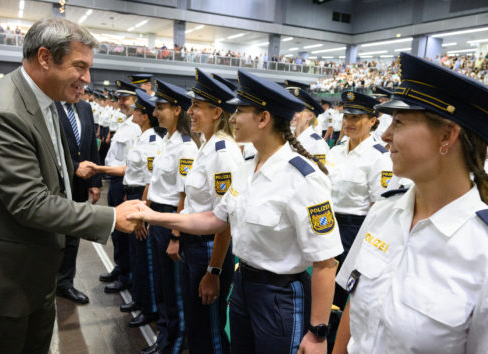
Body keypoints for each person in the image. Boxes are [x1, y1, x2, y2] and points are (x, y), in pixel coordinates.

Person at [0, 18, 141, 354]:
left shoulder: (45, 103)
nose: (87, 79)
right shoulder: (4, 112)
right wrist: (111, 217)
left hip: (31, 271)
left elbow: (51, 171)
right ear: (45, 57)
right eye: (80, 66)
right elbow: (29, 203)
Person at [331, 52, 488, 354]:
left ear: (448, 135)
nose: (385, 135)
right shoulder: (383, 213)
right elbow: (354, 311)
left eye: (398, 122)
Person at [129, 69, 343, 354]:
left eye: (240, 111)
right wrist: (153, 216)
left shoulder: (303, 177)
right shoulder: (248, 167)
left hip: (280, 295)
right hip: (243, 288)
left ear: (263, 119)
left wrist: (318, 333)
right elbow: (216, 219)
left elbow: (325, 262)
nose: (232, 118)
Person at [179, 68, 243, 353]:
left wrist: (213, 271)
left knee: (211, 331)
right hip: (195, 246)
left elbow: (225, 218)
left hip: (209, 251)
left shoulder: (223, 152)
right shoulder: (206, 145)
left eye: (197, 106)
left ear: (217, 112)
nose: (190, 111)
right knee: (198, 327)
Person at [94, 89, 163, 328]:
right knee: (136, 253)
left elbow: (150, 180)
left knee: (145, 258)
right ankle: (140, 300)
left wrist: (143, 211)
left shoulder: (153, 140)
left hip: (143, 196)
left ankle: (149, 307)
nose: (133, 113)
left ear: (144, 116)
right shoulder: (143, 137)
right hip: (132, 191)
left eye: (137, 110)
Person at [141, 79, 199, 354]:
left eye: (161, 107)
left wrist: (176, 235)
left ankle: (174, 343)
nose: (155, 113)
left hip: (171, 220)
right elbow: (155, 183)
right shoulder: (167, 140)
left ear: (177, 110)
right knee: (163, 285)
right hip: (158, 217)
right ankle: (165, 335)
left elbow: (183, 196)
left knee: (174, 290)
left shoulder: (186, 147)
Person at [324, 90, 392, 309]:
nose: (349, 122)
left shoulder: (378, 157)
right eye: (347, 117)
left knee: (343, 291)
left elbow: (379, 207)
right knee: (324, 287)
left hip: (355, 230)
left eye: (356, 118)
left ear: (372, 121)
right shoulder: (335, 151)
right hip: (328, 225)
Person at [53, 94, 102, 305]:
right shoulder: (49, 105)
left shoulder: (85, 108)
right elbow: (47, 146)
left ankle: (65, 284)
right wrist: (74, 167)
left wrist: (95, 181)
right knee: (51, 233)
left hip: (81, 185)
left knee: (73, 235)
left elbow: (90, 145)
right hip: (55, 182)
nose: (81, 87)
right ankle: (45, 280)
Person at [100, 80, 142, 294]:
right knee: (116, 232)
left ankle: (128, 275)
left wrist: (99, 170)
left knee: (126, 235)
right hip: (115, 181)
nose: (121, 102)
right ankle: (120, 267)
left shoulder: (136, 128)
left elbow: (131, 166)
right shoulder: (125, 123)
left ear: (136, 100)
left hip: (124, 182)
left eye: (125, 98)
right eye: (119, 98)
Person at [287, 86, 329, 165]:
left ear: (310, 116)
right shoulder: (287, 136)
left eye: (298, 111)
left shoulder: (317, 143)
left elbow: (319, 174)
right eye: (291, 109)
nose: (292, 114)